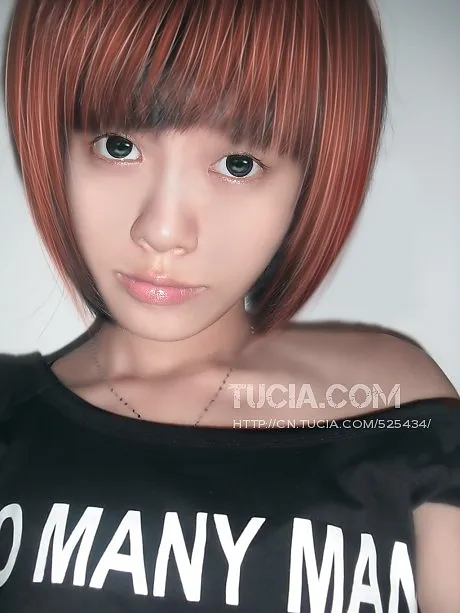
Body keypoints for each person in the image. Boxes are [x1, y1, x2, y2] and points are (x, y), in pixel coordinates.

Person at [0, 0, 459, 611]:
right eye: (117, 146)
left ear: (312, 177)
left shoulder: (398, 407)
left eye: (238, 165)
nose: (163, 231)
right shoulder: (11, 420)